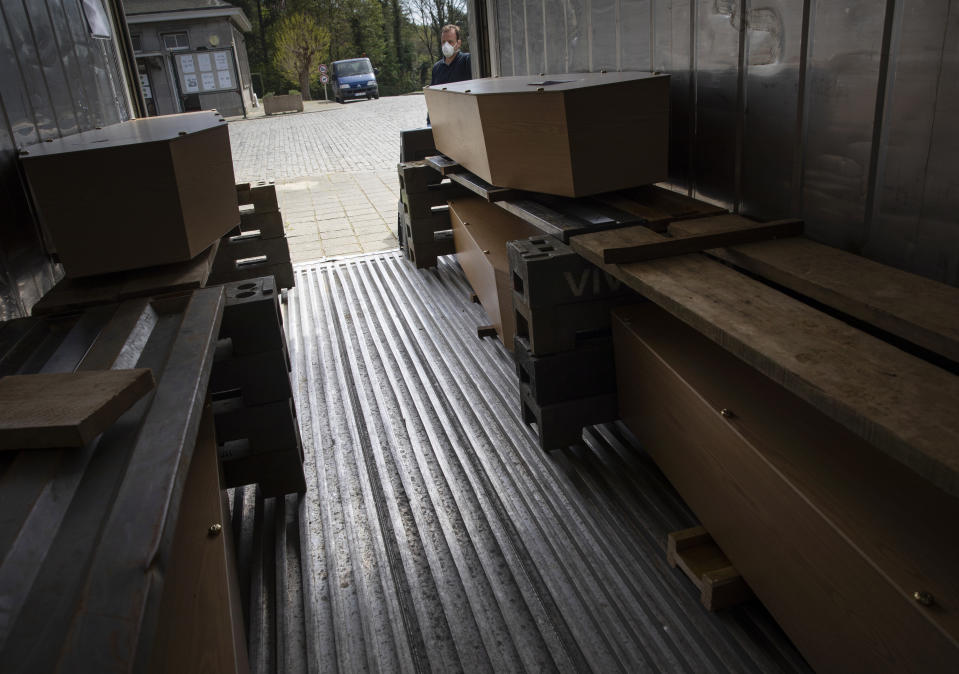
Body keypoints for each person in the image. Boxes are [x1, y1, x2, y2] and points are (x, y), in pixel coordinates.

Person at [427, 24, 471, 125]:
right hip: (444, 123)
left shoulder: (467, 61)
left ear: (458, 43)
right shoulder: (437, 68)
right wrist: (429, 124)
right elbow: (433, 99)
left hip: (465, 121)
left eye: (450, 42)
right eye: (443, 42)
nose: (446, 45)